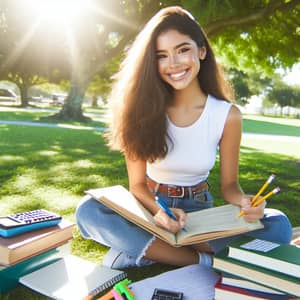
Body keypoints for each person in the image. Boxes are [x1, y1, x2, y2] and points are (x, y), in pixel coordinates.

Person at [76, 6, 292, 269]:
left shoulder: (228, 115)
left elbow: (229, 187)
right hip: (151, 207)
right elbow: (137, 186)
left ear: (201, 51)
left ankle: (146, 251)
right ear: (152, 63)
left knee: (277, 224)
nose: (174, 63)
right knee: (89, 210)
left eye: (182, 50)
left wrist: (246, 202)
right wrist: (160, 213)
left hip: (199, 212)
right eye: (162, 56)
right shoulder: (140, 110)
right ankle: (200, 260)